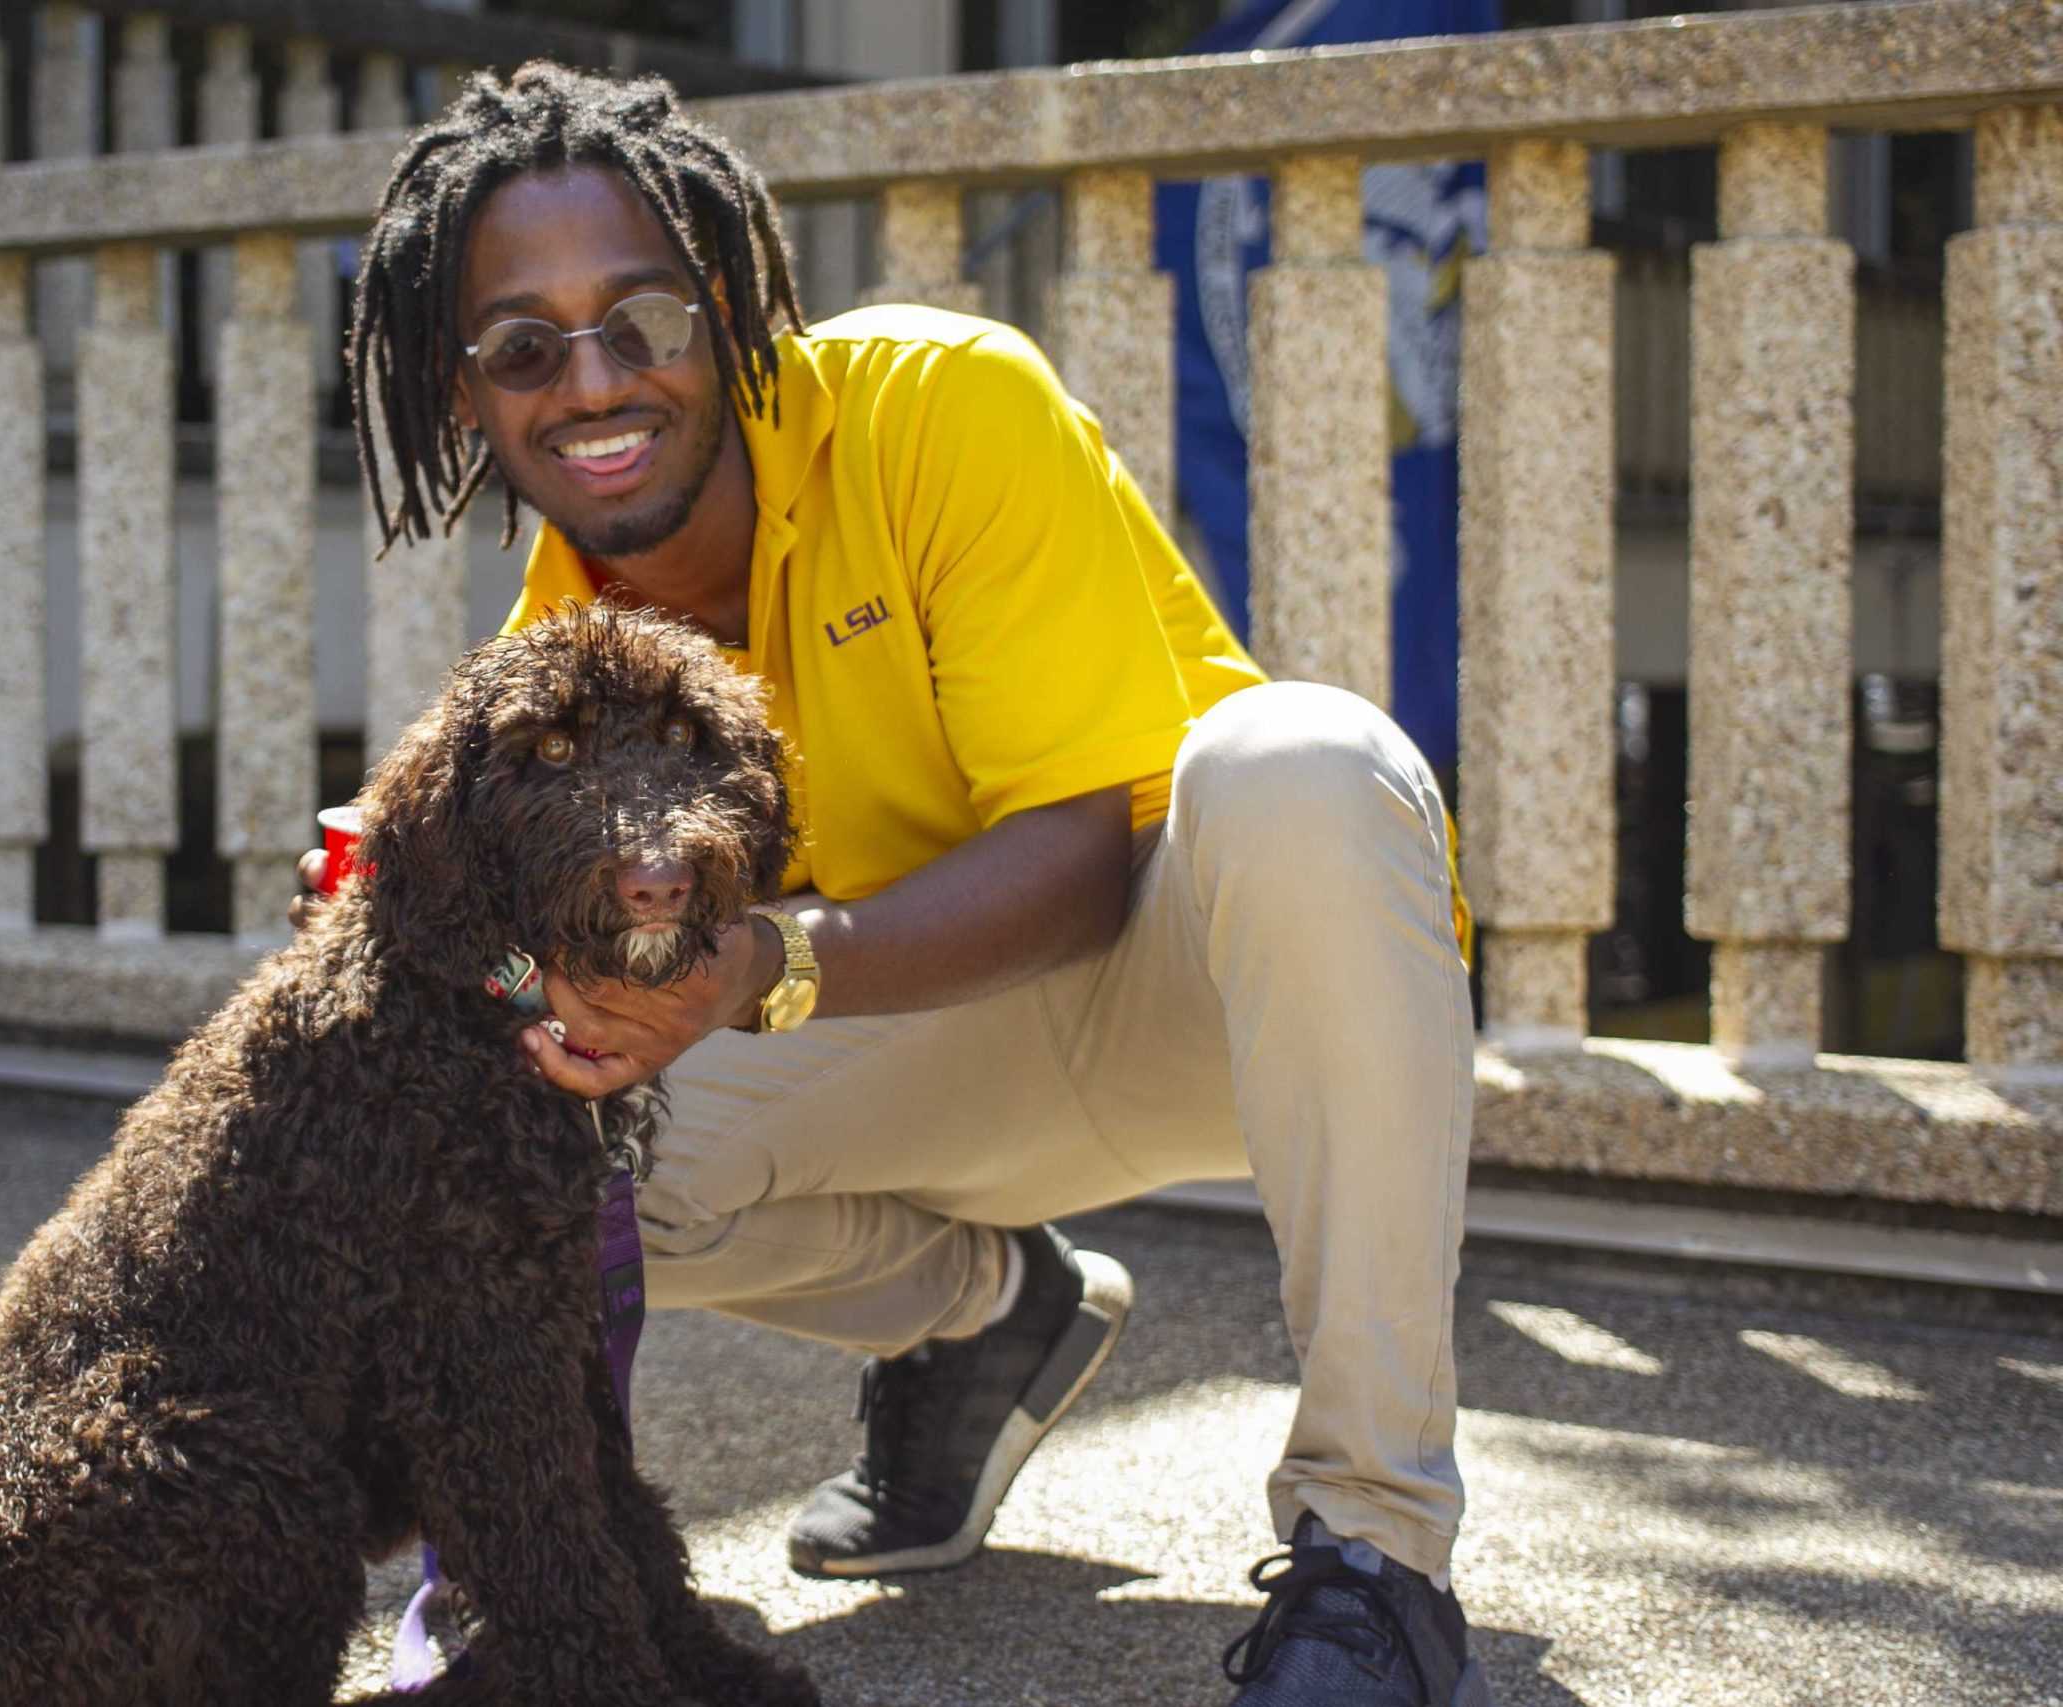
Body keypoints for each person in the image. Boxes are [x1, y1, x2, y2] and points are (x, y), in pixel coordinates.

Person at [299, 62, 1492, 1707]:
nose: (592, 379)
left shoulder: (941, 402)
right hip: (940, 1050)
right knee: (531, 1133)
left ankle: (1376, 1558)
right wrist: (429, 947)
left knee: (1303, 758)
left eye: (640, 318)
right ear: (465, 392)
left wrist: (751, 968)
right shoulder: (549, 665)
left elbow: (1078, 867)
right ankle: (984, 1316)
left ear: (722, 307)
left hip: (1207, 993)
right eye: (523, 345)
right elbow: (546, 1021)